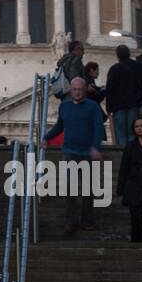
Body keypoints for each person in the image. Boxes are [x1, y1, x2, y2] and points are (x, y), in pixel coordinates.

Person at [44, 76, 105, 235]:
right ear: (70, 90)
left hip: (87, 152)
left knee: (87, 190)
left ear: (85, 90)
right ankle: (70, 222)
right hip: (70, 151)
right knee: (70, 188)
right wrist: (46, 138)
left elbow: (98, 128)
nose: (77, 92)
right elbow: (59, 126)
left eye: (80, 89)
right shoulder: (64, 107)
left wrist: (95, 147)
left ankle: (88, 221)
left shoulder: (93, 107)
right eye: (74, 89)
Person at [105, 44, 142, 145]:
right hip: (133, 104)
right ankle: (132, 155)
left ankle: (123, 157)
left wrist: (109, 108)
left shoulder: (114, 69)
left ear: (117, 55)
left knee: (120, 133)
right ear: (129, 54)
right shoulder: (137, 66)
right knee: (132, 132)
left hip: (118, 106)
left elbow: (109, 89)